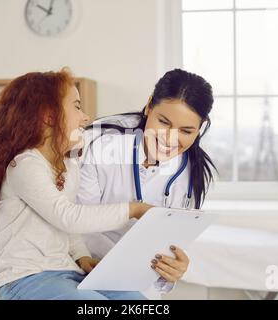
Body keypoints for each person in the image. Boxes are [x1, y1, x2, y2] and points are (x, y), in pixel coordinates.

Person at [0, 69, 152, 300]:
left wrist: (82, 256)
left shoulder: (69, 166)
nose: (85, 117)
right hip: (25, 278)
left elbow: (67, 228)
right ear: (49, 115)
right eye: (77, 106)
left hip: (66, 272)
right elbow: (67, 216)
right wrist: (134, 209)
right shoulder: (24, 165)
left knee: (134, 299)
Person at [77, 68, 216, 295]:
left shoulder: (194, 174)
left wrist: (174, 267)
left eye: (186, 130)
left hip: (139, 282)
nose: (170, 138)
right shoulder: (99, 142)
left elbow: (172, 241)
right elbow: (79, 222)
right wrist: (118, 264)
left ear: (200, 128)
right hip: (84, 266)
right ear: (149, 105)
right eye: (163, 122)